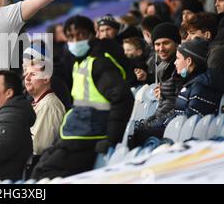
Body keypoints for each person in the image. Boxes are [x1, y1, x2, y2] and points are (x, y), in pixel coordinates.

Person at [30, 16, 134, 179]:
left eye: (81, 35)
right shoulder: (79, 62)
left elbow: (123, 99)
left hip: (92, 138)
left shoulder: (100, 63)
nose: (75, 41)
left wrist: (111, 138)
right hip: (75, 134)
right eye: (71, 37)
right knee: (38, 170)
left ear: (93, 35)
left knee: (46, 174)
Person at [131, 23, 184, 146]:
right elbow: (163, 106)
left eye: (166, 43)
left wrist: (150, 124)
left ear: (176, 43)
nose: (161, 48)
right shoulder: (163, 67)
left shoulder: (181, 68)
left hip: (173, 127)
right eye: (157, 44)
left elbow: (176, 105)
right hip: (162, 122)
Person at [23, 58, 64, 166]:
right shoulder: (39, 102)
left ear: (46, 79)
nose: (27, 78)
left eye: (33, 74)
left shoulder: (49, 105)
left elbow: (38, 147)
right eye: (26, 74)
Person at [171, 38, 224, 119]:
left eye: (178, 58)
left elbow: (190, 121)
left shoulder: (201, 87)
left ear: (189, 61)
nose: (175, 62)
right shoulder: (193, 83)